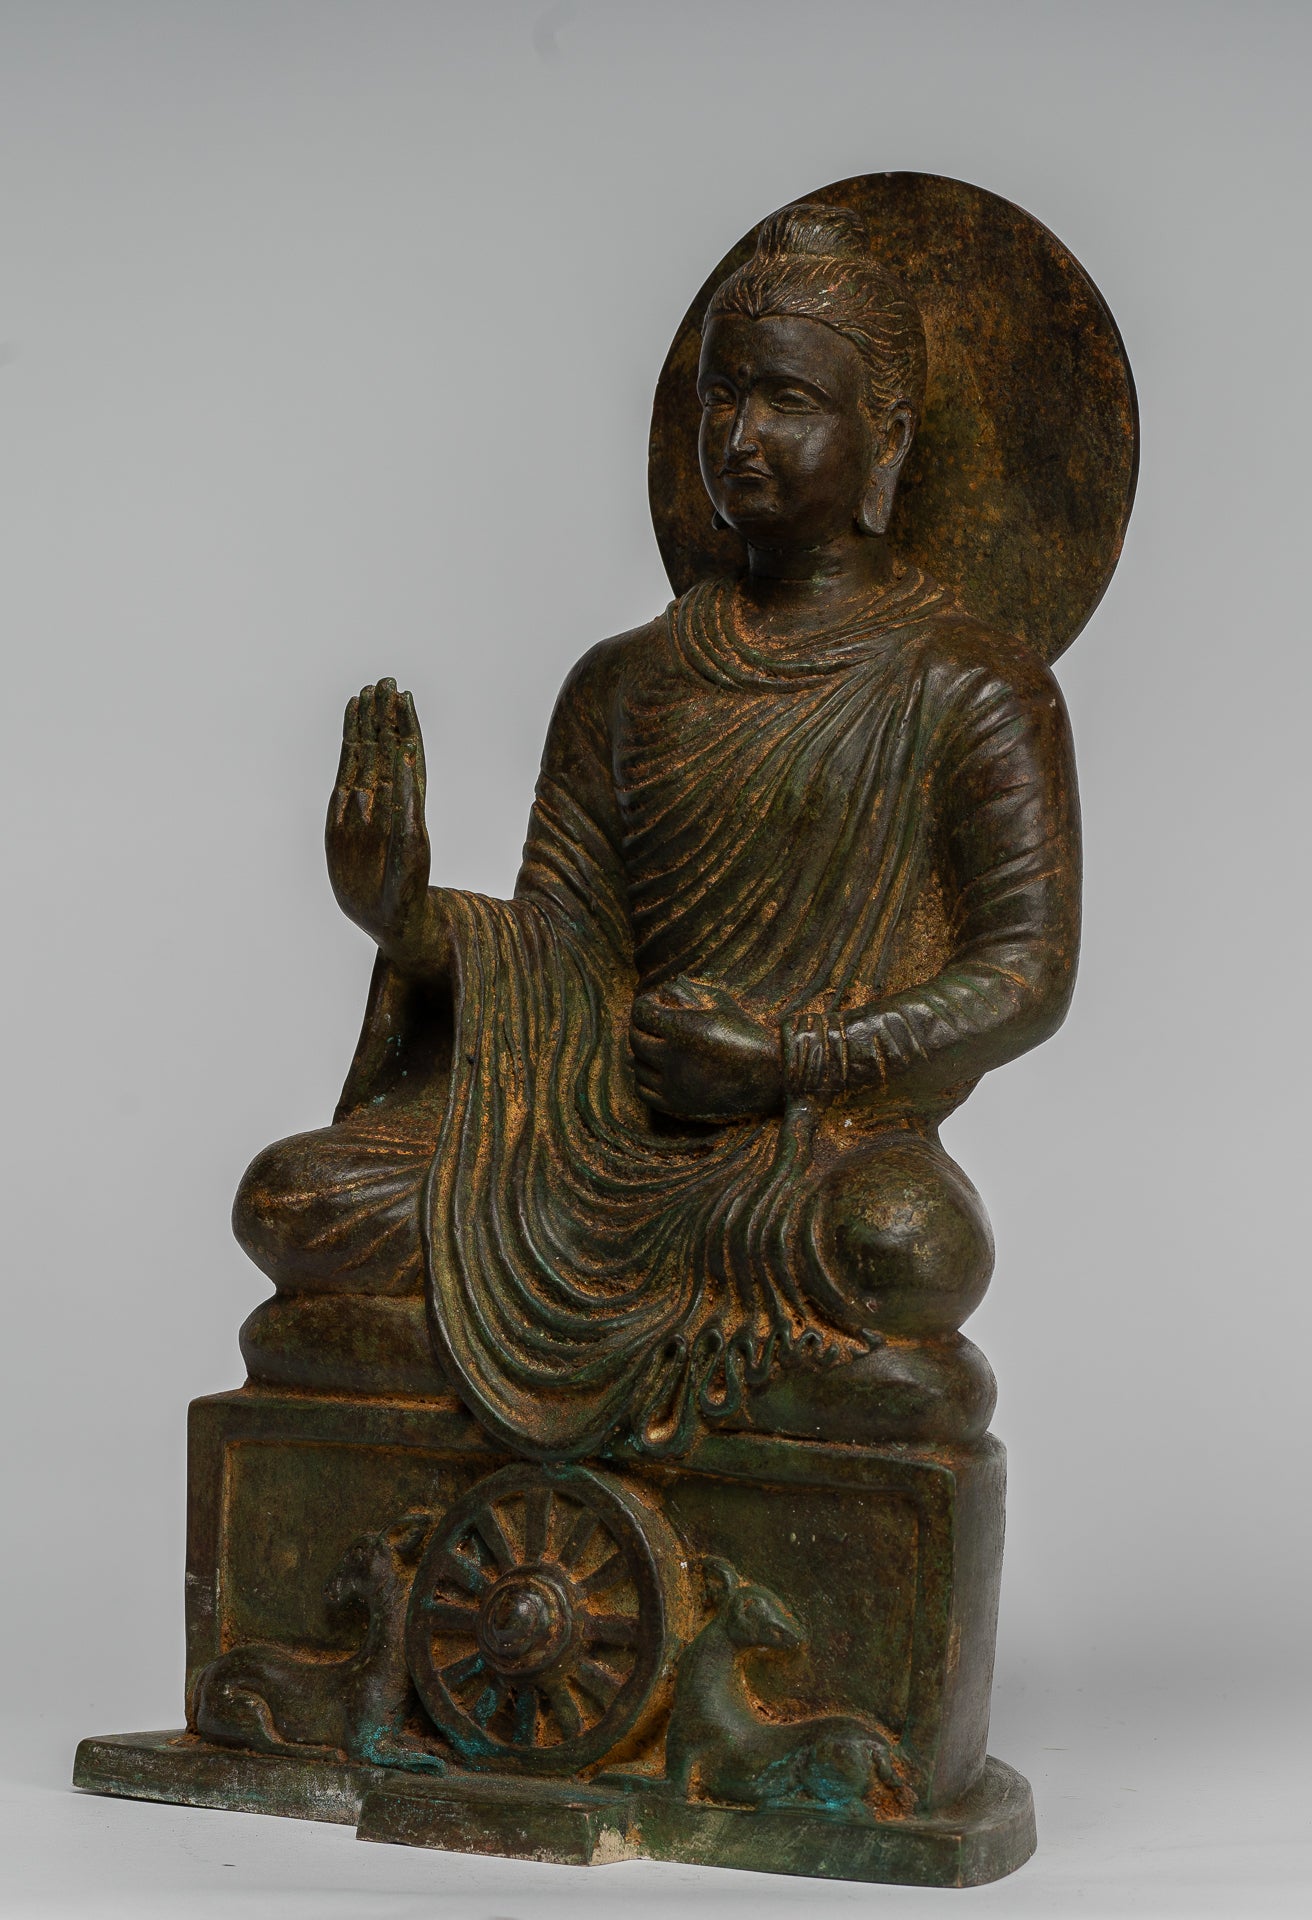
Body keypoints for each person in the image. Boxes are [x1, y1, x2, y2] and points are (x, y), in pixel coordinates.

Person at [234, 203, 1080, 1460]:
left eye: (788, 401)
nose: (740, 437)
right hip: (596, 1140)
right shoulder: (625, 681)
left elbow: (1021, 976)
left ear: (887, 438)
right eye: (719, 398)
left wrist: (791, 1058)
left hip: (809, 1159)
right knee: (291, 1198)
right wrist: (407, 920)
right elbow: (564, 955)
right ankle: (770, 1380)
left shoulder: (970, 684)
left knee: (907, 1247)